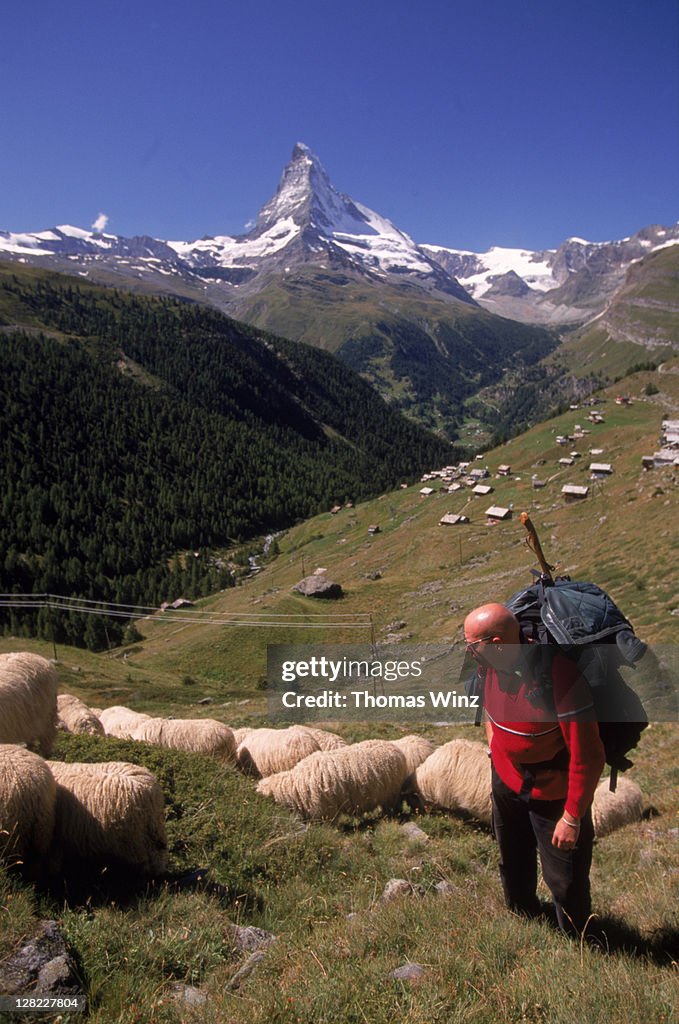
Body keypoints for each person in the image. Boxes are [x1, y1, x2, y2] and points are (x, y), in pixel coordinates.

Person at [463, 602, 605, 936]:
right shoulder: (489, 667)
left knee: (564, 877)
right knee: (512, 855)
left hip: (552, 792)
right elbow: (491, 713)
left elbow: (589, 756)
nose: (469, 652)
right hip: (506, 780)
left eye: (472, 645)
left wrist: (572, 817)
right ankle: (524, 918)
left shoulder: (560, 679)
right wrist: (495, 749)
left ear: (498, 644)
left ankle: (579, 940)